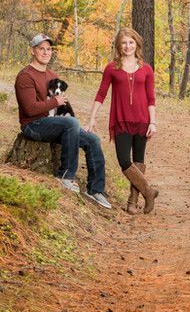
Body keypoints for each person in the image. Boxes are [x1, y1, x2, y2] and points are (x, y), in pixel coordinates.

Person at [15, 34, 110, 209]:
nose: (45, 52)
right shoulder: (25, 76)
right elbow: (30, 109)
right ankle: (65, 175)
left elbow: (62, 105)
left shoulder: (52, 75)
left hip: (54, 123)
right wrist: (55, 102)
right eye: (41, 48)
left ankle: (95, 189)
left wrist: (62, 109)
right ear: (33, 51)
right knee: (72, 124)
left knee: (92, 139)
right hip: (33, 125)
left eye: (48, 49)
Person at [84, 28, 158, 215]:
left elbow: (151, 98)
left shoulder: (146, 69)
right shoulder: (112, 68)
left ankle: (132, 202)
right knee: (125, 161)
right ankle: (149, 192)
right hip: (121, 121)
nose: (128, 46)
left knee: (139, 160)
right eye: (124, 43)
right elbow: (101, 94)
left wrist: (153, 122)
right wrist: (92, 118)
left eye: (131, 42)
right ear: (119, 45)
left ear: (137, 44)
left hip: (142, 121)